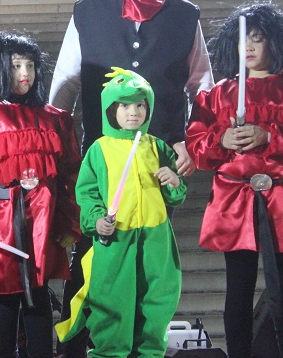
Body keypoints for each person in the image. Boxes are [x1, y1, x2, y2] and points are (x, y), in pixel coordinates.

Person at [50, 0, 213, 356]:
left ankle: (142, 347)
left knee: (148, 261)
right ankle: (76, 349)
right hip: (102, 157)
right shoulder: (89, 10)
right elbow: (65, 81)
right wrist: (57, 142)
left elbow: (203, 85)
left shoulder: (184, 16)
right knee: (93, 255)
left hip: (156, 162)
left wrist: (192, 141)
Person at [185, 2, 283, 358]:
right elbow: (197, 147)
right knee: (238, 289)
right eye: (241, 40)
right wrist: (221, 140)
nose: (248, 47)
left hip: (281, 196)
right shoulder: (218, 93)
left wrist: (269, 136)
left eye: (257, 38)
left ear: (274, 42)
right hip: (233, 199)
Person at [0, 31, 81, 358]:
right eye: (16, 66)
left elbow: (69, 176)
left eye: (30, 66)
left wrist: (68, 222)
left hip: (42, 221)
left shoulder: (53, 119)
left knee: (38, 294)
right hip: (0, 222)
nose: (25, 74)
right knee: (5, 296)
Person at [56, 68, 186, 357]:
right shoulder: (99, 150)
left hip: (155, 240)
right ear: (110, 109)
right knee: (111, 302)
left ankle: (150, 353)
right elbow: (87, 194)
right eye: (125, 106)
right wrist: (96, 220)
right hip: (116, 241)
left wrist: (174, 182)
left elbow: (175, 195)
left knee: (156, 299)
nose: (134, 112)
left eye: (140, 105)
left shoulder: (158, 148)